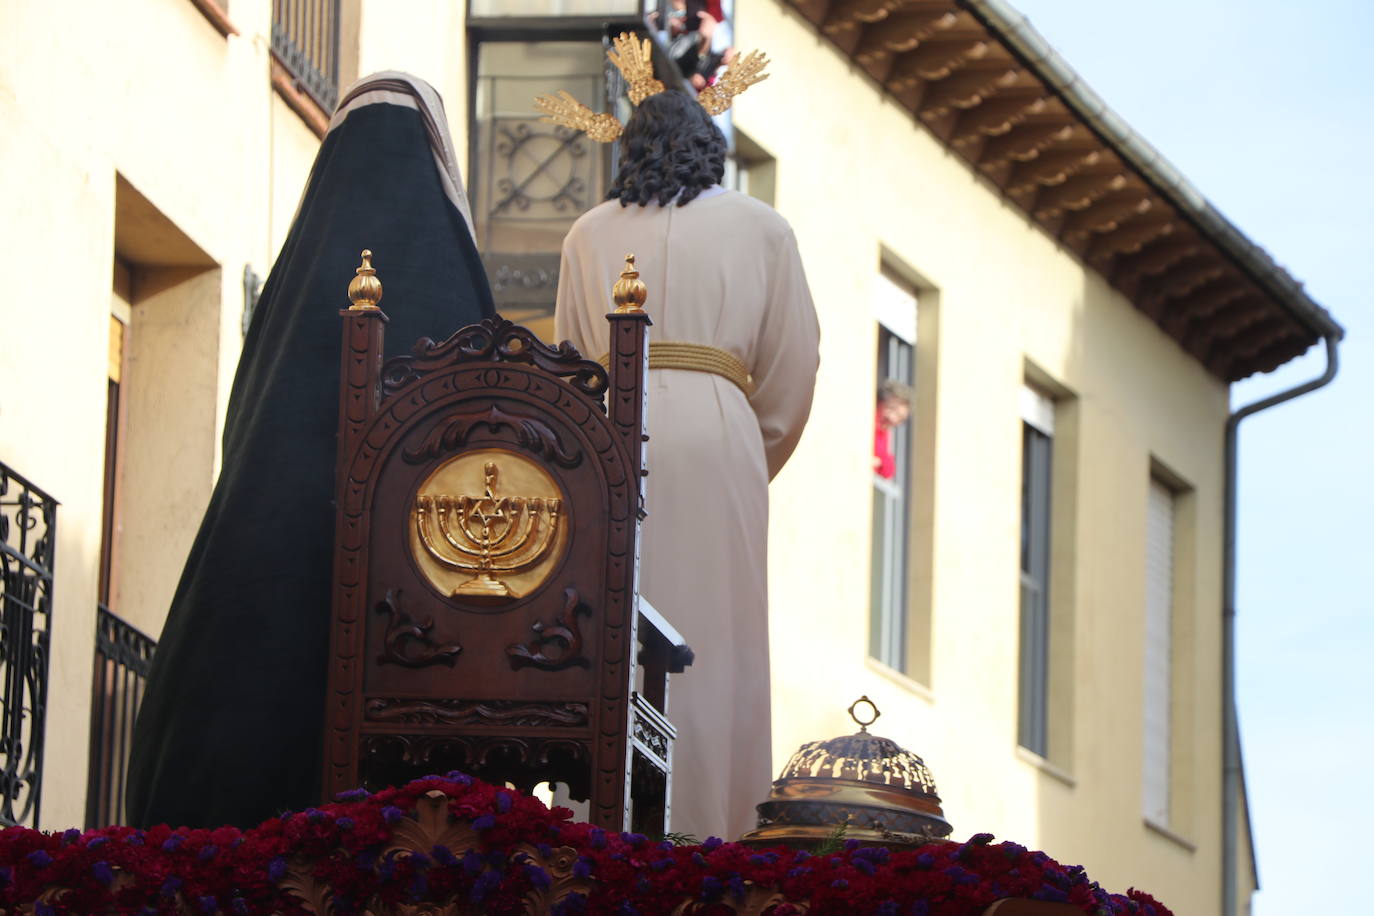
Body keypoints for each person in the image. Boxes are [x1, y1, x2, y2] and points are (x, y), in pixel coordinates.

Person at [127, 73, 496, 829]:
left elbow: (246, 430)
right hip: (420, 610)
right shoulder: (451, 277)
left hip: (270, 584)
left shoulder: (294, 286)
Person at [551, 87, 820, 841]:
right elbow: (794, 367)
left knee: (609, 630)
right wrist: (743, 453)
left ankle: (600, 823)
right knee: (720, 633)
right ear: (713, 149)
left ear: (628, 150)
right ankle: (714, 829)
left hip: (610, 434)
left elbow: (572, 357)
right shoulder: (764, 229)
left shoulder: (587, 233)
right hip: (720, 431)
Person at [874, 379, 913, 480]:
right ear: (879, 401)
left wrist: (880, 461)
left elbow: (889, 470)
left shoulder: (884, 434)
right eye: (891, 408)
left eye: (900, 418)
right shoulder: (865, 424)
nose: (892, 418)